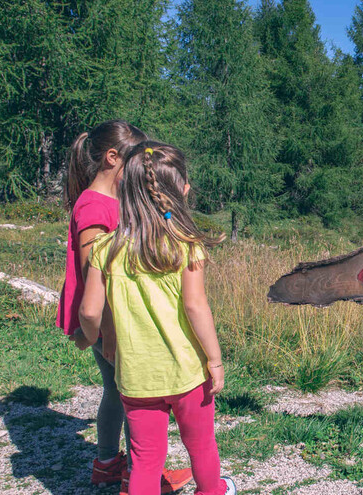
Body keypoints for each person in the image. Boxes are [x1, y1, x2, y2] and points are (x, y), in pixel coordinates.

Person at [78, 142, 235, 495]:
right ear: (179, 192)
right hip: (187, 373)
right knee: (202, 446)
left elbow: (89, 311)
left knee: (146, 458)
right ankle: (212, 491)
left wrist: (97, 342)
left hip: (135, 377)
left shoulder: (105, 250)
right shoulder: (185, 245)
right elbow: (196, 307)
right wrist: (214, 359)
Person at [57, 121, 192, 493]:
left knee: (116, 392)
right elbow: (94, 280)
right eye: (132, 161)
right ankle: (139, 474)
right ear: (113, 158)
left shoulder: (105, 202)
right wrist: (105, 335)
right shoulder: (95, 208)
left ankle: (106, 464)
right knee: (139, 394)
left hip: (108, 322)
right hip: (109, 322)